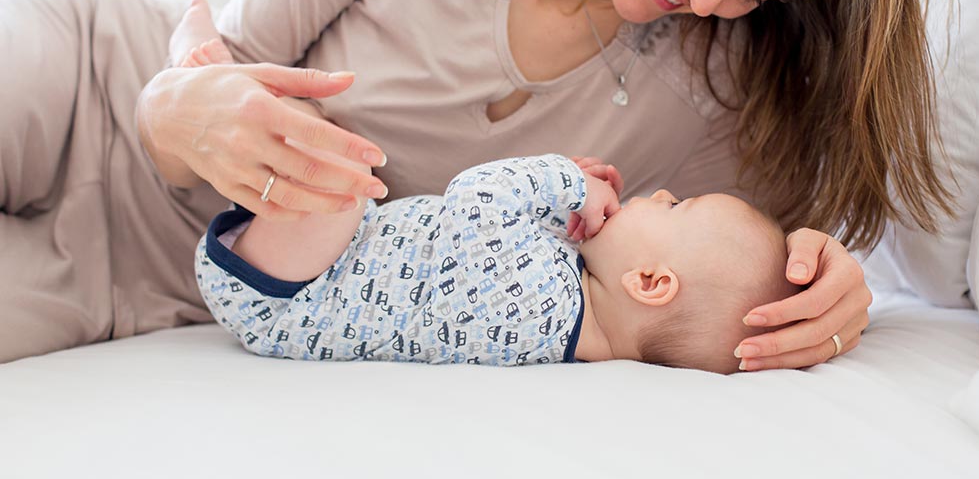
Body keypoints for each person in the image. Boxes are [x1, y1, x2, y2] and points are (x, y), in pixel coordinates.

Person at [1, 0, 953, 369]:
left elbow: (744, 272)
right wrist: (174, 112)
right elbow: (235, 69)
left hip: (151, 283)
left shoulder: (718, 108)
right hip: (89, 83)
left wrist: (832, 287)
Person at [196, 151, 798, 374]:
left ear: (649, 282)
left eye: (677, 206)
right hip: (298, 270)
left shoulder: (541, 304)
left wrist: (562, 178)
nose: (661, 194)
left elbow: (475, 195)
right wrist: (571, 213)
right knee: (329, 172)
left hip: (286, 293)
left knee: (343, 176)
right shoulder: (562, 317)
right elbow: (480, 258)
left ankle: (218, 69)